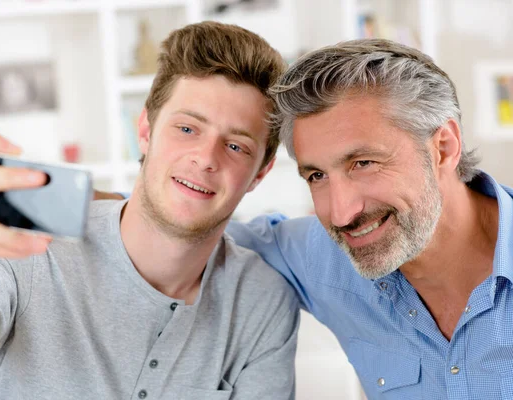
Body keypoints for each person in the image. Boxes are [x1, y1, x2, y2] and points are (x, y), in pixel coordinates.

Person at [93, 38, 513, 399]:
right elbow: (186, 223)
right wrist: (57, 199)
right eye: (316, 175)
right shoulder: (331, 254)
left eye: (364, 162)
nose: (341, 212)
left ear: (443, 147)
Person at [0, 22, 299, 399]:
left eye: (236, 147)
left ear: (259, 173)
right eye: (186, 129)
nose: (205, 158)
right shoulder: (34, 247)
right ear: (145, 131)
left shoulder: (262, 301)